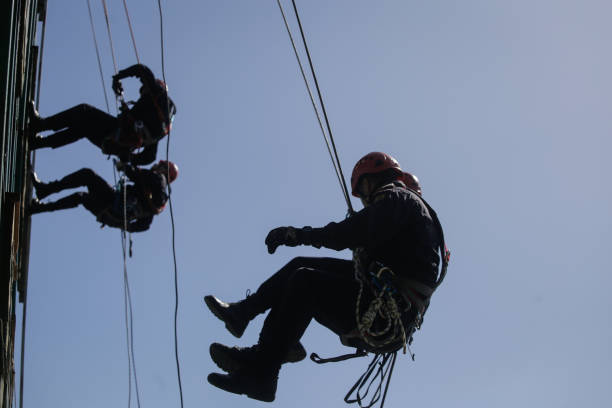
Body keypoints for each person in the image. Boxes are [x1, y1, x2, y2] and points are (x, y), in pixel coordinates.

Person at [204, 152, 448, 402]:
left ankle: (264, 373)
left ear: (371, 181)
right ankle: (246, 316)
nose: (365, 200)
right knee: (300, 268)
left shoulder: (398, 198)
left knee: (304, 282)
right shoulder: (412, 215)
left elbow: (349, 233)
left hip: (383, 313)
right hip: (385, 307)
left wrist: (299, 235)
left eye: (363, 192)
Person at [29, 64, 176, 165]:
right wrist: (129, 158)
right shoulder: (160, 126)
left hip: (116, 132)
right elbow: (150, 157)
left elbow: (142, 70)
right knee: (82, 129)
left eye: (143, 89)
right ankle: (38, 143)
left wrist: (117, 77)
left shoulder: (158, 93)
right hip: (116, 145)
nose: (142, 92)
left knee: (83, 110)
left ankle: (41, 125)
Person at [29, 160, 178, 232]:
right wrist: (124, 225)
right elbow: (144, 225)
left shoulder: (158, 179)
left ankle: (45, 191)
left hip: (113, 200)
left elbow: (136, 174)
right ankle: (39, 208)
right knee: (81, 197)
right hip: (113, 216)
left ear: (165, 169)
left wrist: (124, 166)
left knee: (87, 175)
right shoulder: (160, 201)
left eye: (161, 165)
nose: (156, 165)